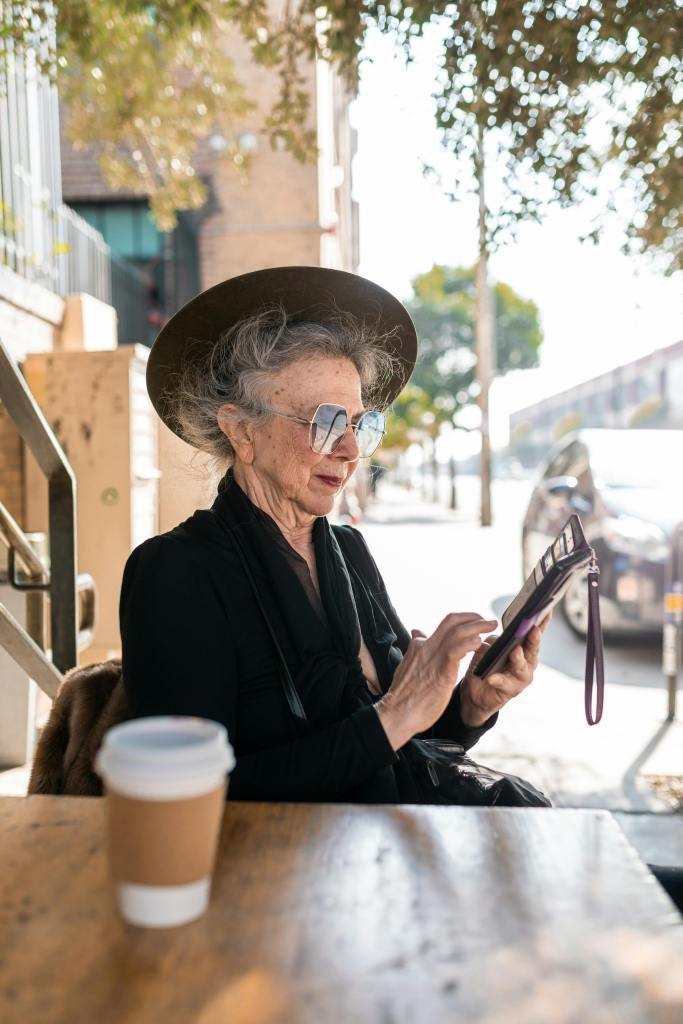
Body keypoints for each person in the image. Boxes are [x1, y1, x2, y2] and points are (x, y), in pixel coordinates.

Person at [120, 266, 548, 803]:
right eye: (324, 422)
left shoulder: (347, 551)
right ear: (241, 431)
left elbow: (403, 752)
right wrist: (393, 715)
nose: (347, 451)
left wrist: (471, 705)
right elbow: (187, 797)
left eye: (358, 425)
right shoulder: (176, 572)